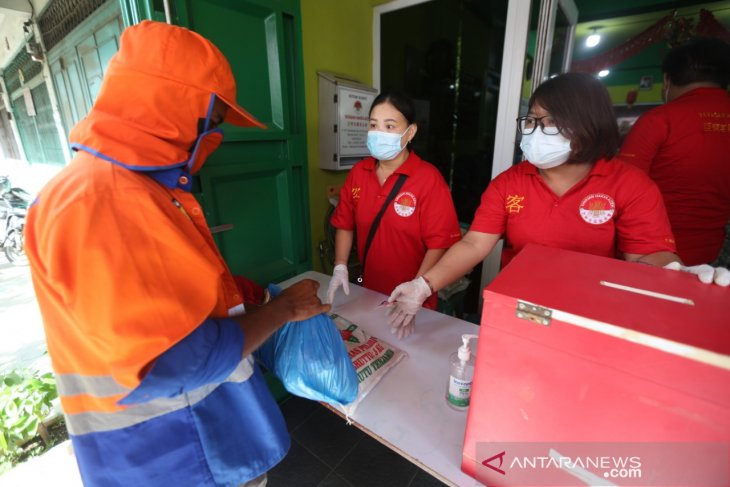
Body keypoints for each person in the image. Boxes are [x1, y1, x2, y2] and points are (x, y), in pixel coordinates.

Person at [24, 21, 329, 487]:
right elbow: (174, 359)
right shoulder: (101, 201)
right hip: (174, 456)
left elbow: (170, 295)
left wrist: (245, 295)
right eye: (215, 124)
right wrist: (284, 310)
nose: (217, 140)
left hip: (188, 443)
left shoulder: (126, 188)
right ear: (178, 108)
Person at [386, 72, 730, 331]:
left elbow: (644, 254)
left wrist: (674, 272)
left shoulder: (629, 185)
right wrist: (423, 284)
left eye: (550, 122)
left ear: (588, 125)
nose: (536, 130)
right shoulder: (510, 183)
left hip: (592, 317)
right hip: (518, 309)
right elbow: (476, 243)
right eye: (532, 120)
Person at [326, 90, 461, 337]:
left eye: (390, 126)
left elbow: (439, 244)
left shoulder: (428, 179)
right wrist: (340, 266)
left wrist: (417, 290)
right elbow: (345, 222)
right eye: (373, 125)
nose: (379, 133)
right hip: (369, 293)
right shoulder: (359, 172)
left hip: (415, 302)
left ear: (410, 132)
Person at [620, 37, 730, 267]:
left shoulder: (660, 120)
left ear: (667, 80)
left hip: (649, 249)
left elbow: (622, 185)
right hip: (712, 248)